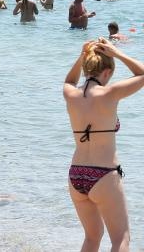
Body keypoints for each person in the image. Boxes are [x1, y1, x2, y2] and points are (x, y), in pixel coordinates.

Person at [64, 39, 144, 252]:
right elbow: (143, 73)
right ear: (107, 72)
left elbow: (69, 80)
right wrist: (117, 53)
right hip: (104, 175)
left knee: (92, 238)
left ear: (86, 68)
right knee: (121, 238)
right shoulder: (110, 93)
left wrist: (82, 55)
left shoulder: (70, 94)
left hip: (76, 175)